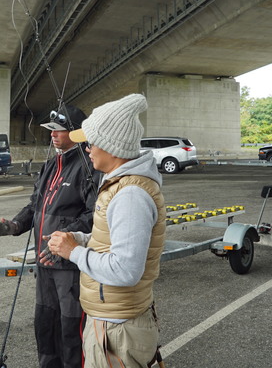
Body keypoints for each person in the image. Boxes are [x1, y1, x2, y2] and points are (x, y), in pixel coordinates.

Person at [43, 93, 166, 368]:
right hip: (111, 320)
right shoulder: (122, 186)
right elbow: (111, 241)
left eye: (90, 143)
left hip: (117, 329)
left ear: (110, 146)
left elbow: (125, 270)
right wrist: (81, 239)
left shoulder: (130, 194)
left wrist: (73, 252)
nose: (87, 149)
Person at [0, 104, 98, 368]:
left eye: (59, 130)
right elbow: (34, 206)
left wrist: (64, 239)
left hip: (70, 266)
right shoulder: (50, 165)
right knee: (45, 326)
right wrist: (14, 225)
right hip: (44, 264)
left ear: (77, 133)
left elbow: (94, 215)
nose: (53, 135)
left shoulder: (89, 166)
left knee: (71, 331)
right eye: (51, 131)